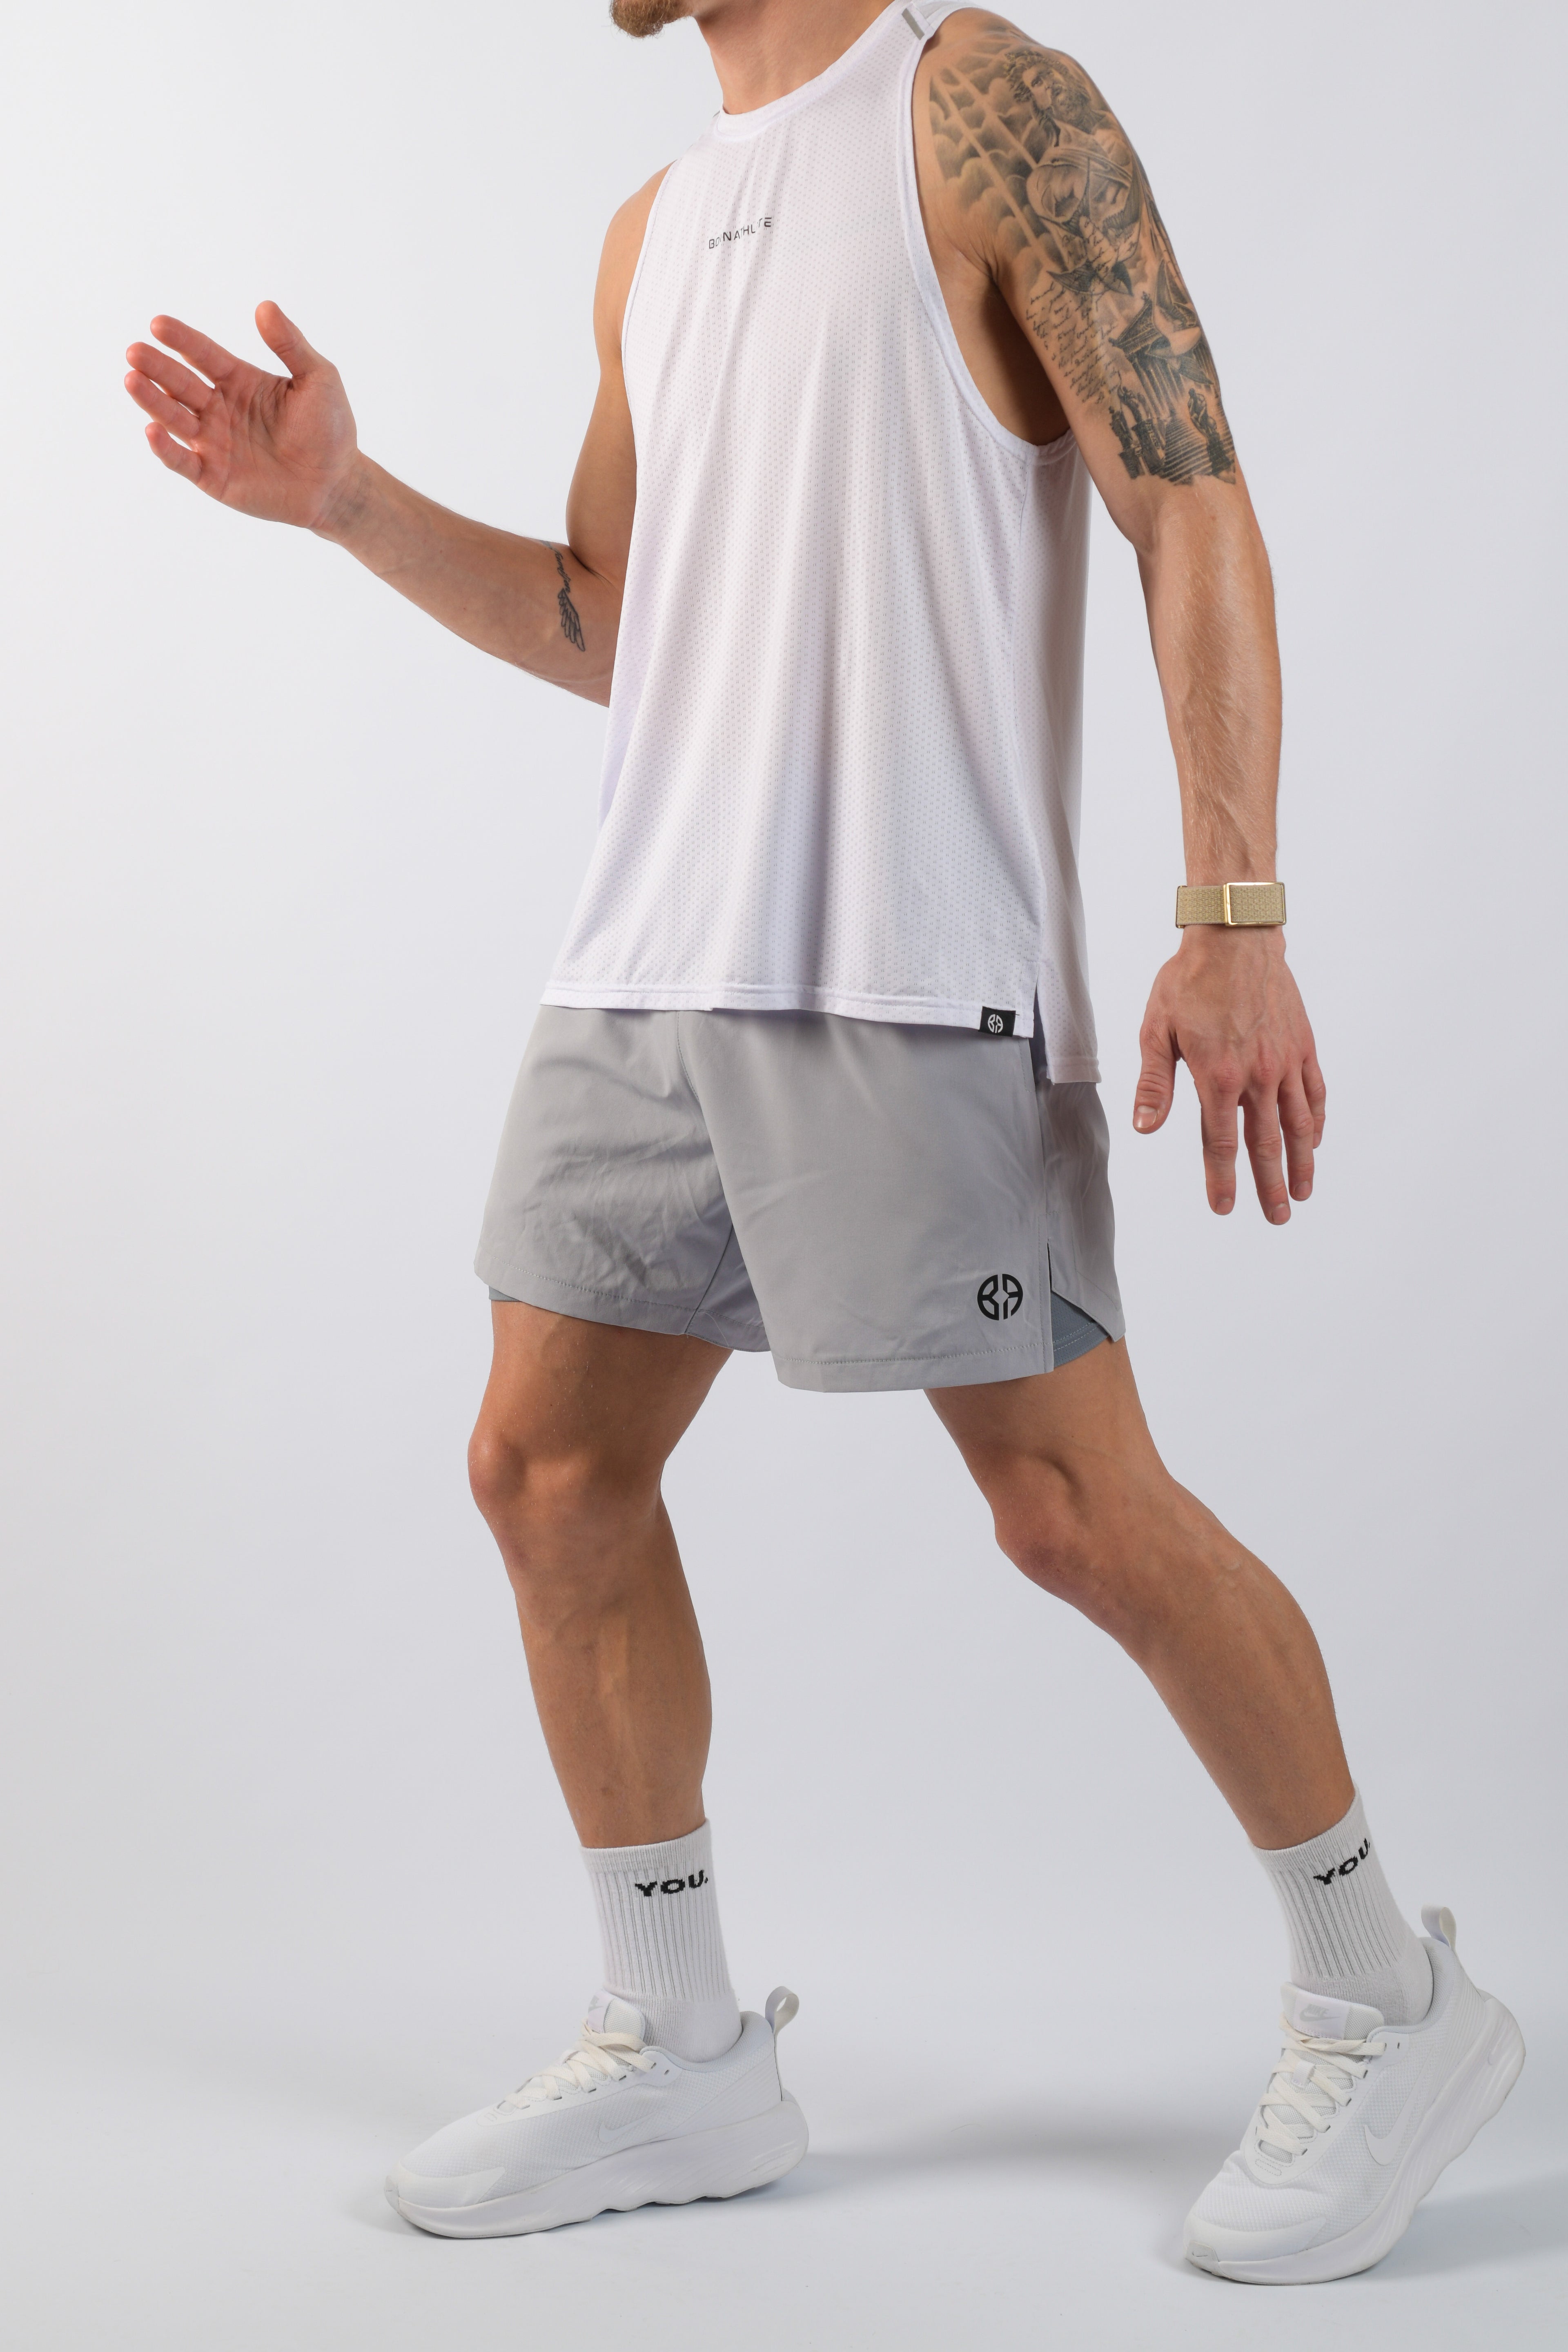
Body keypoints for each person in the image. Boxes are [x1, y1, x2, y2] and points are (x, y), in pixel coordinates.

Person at [123, 0, 1522, 2282]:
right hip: (647, 964)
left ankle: (1393, 1998)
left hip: (908, 966)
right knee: (544, 1471)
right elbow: (616, 622)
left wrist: (1235, 911)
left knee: (1072, 1513)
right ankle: (678, 2043)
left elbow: (1188, 494)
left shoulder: (980, 106)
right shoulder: (652, 227)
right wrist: (348, 504)